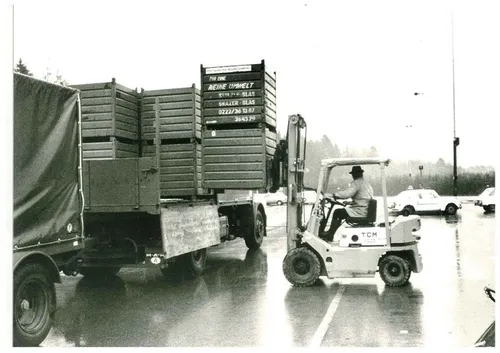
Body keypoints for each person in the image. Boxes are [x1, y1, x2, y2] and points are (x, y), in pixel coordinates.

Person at [323, 165, 374, 241]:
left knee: (337, 212)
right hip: (364, 209)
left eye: (353, 174)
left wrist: (334, 195)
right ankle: (330, 233)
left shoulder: (357, 183)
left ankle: (330, 235)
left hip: (360, 211)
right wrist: (350, 203)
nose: (353, 176)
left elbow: (347, 194)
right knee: (340, 212)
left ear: (355, 174)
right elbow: (363, 198)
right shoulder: (366, 184)